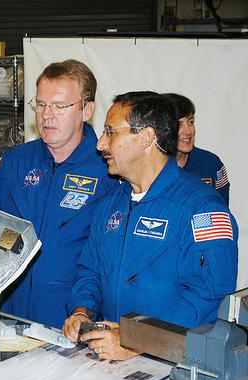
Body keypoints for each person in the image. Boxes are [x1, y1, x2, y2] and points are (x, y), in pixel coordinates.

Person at [63, 92, 238, 361]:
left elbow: (208, 299)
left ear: (146, 137)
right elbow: (91, 270)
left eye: (110, 132)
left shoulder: (202, 208)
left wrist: (137, 340)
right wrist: (81, 310)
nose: (100, 144)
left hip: (174, 366)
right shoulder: (111, 203)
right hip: (112, 359)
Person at [0, 59, 117, 328]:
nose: (46, 115)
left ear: (87, 109)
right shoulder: (16, 161)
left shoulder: (108, 170)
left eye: (59, 106)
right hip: (9, 310)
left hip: (70, 317)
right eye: (40, 104)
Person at [162, 93, 229, 205]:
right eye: (178, 124)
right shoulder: (145, 168)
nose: (188, 131)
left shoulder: (211, 164)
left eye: (190, 122)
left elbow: (220, 211)